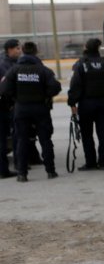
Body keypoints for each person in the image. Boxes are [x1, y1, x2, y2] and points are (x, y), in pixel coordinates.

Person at [0, 41, 61, 182]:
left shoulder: (14, 70)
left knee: (21, 140)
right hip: (40, 108)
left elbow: (4, 89)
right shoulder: (43, 70)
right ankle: (50, 171)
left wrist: (15, 98)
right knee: (46, 140)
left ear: (23, 51)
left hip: (21, 108)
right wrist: (45, 96)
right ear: (35, 52)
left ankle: (22, 174)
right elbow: (55, 87)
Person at [67, 38, 104, 170]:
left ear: (86, 48)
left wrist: (72, 102)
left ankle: (90, 162)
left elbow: (75, 85)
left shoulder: (81, 64)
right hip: (103, 102)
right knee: (103, 133)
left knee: (87, 134)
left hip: (86, 104)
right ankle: (103, 163)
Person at [0, 38, 22, 178]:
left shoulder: (15, 63)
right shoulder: (4, 65)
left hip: (9, 105)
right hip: (5, 106)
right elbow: (6, 87)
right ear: (9, 50)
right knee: (3, 139)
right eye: (17, 48)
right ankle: (4, 170)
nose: (19, 51)